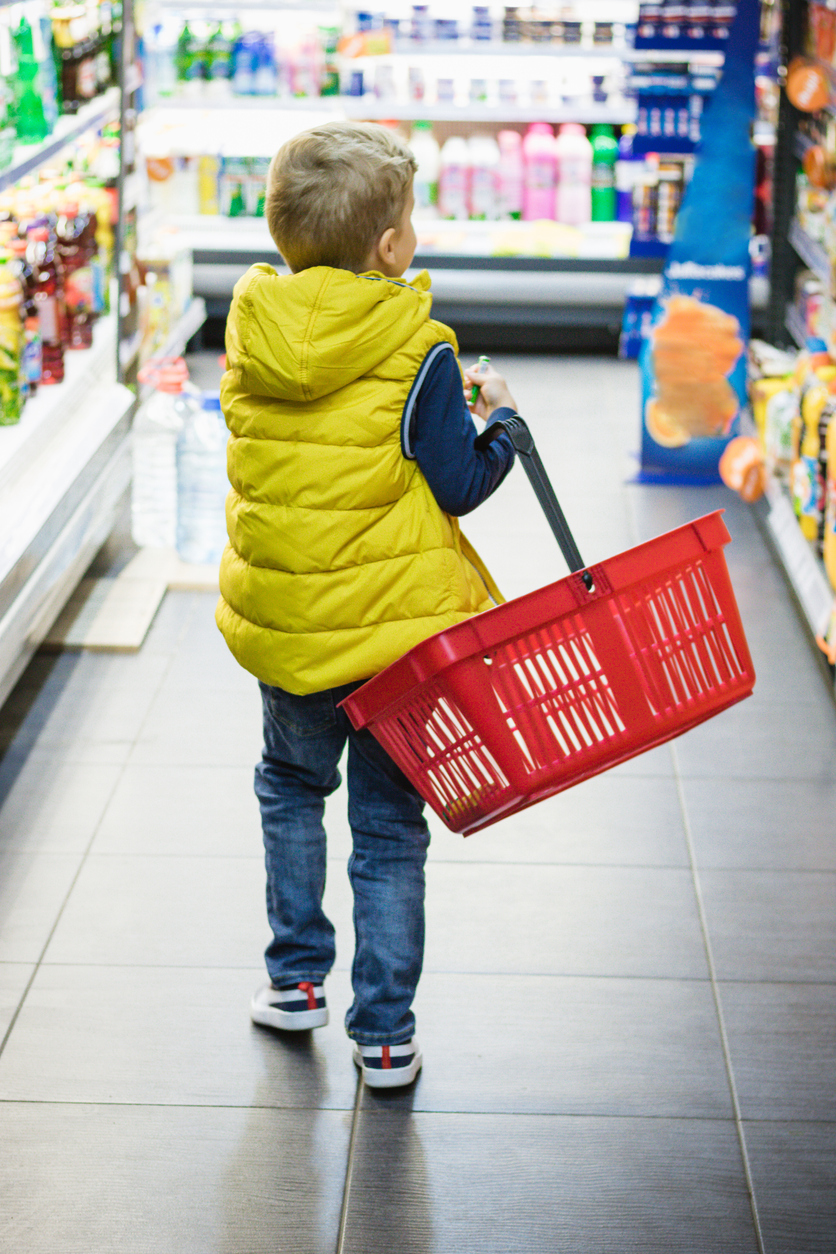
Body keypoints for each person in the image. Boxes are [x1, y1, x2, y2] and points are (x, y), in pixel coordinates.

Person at [216, 120, 519, 1088]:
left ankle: (293, 980)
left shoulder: (250, 328)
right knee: (388, 828)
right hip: (395, 644)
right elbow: (460, 482)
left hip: (292, 629)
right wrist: (499, 421)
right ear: (389, 247)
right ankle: (383, 1032)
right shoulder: (416, 345)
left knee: (290, 789)